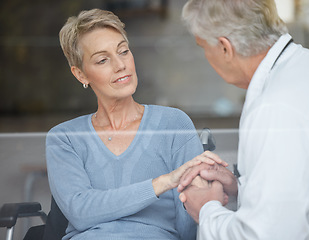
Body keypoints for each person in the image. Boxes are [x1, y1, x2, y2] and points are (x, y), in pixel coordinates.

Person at [177, 0, 309, 239]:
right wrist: (241, 186)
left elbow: (264, 234)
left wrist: (206, 209)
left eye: (203, 46)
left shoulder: (276, 107)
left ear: (225, 48)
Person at [46, 8, 227, 240]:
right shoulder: (64, 138)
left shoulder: (173, 124)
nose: (120, 65)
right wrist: (162, 182)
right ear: (81, 75)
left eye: (123, 51)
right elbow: (80, 212)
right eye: (102, 60)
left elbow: (190, 220)